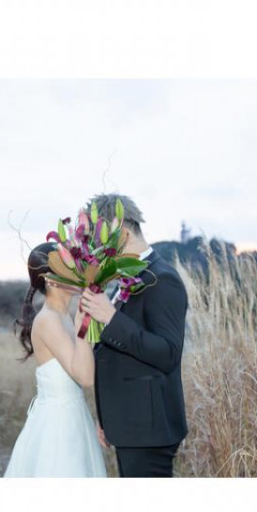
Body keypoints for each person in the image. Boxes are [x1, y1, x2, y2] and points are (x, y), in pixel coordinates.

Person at [79, 193, 189, 477]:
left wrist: (111, 317)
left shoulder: (162, 279)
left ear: (123, 234)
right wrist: (106, 416)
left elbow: (167, 354)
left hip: (149, 430)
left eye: (99, 241)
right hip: (129, 424)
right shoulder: (125, 279)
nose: (96, 250)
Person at [3, 242, 107, 477]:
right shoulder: (48, 319)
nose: (76, 271)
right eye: (68, 266)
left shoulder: (63, 316)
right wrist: (83, 328)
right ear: (50, 280)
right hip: (59, 426)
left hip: (74, 416)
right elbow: (85, 377)